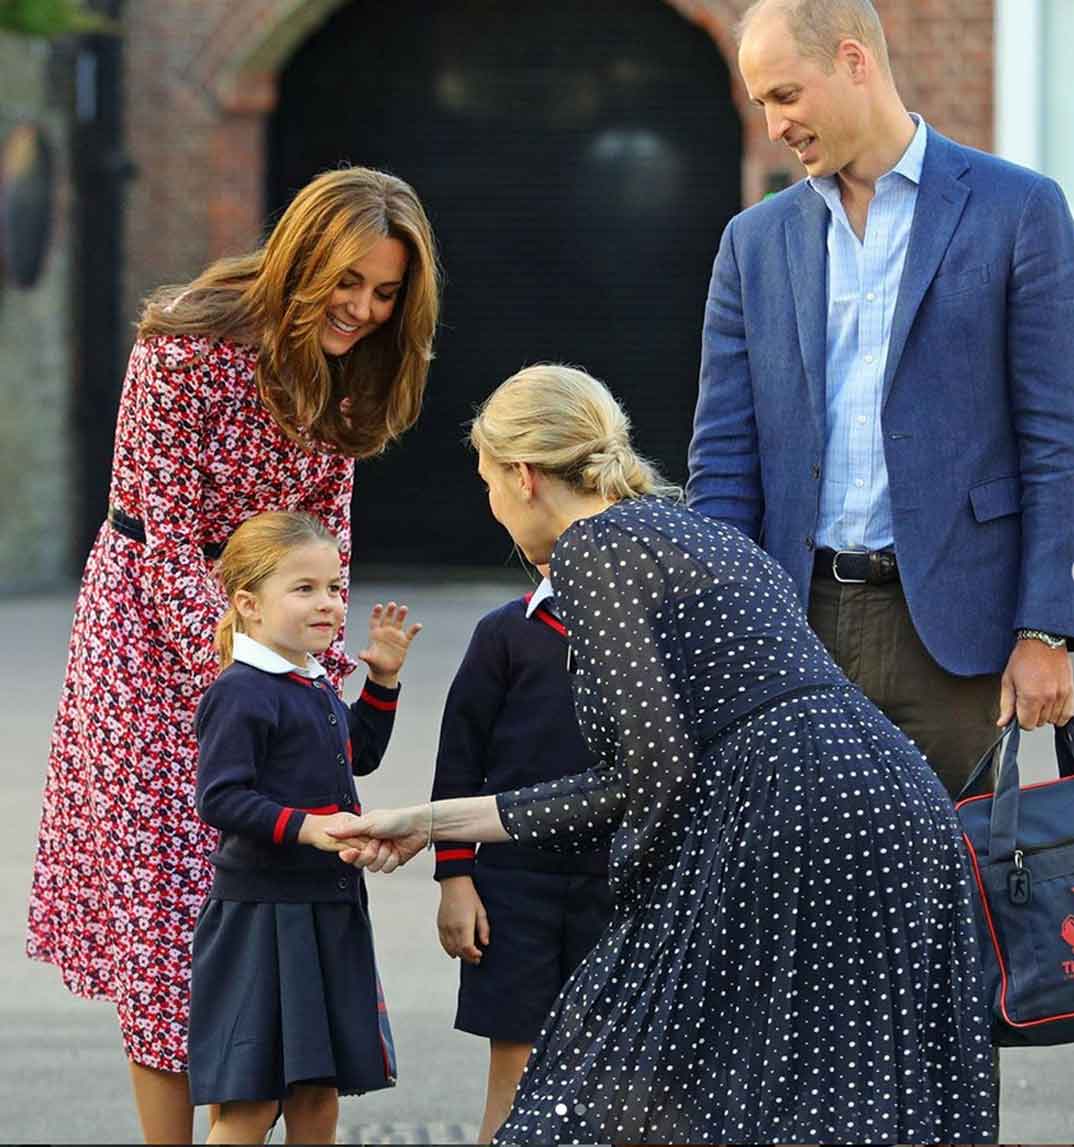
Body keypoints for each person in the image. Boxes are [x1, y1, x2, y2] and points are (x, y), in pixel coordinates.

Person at [332, 364, 997, 1144]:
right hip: (894, 801)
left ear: (523, 475)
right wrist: (436, 819)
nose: (491, 506)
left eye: (487, 482)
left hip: (789, 814)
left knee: (593, 1090)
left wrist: (638, 913)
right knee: (840, 1101)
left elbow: (652, 774)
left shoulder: (593, 549)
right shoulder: (697, 531)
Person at [25, 166, 439, 1143]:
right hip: (150, 633)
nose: (363, 310)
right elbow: (164, 537)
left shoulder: (355, 365)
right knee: (168, 926)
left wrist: (320, 679)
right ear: (302, 256)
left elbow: (326, 530)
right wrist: (248, 678)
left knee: (274, 897)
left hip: (271, 626)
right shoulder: (185, 343)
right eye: (348, 283)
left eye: (385, 295)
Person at [685, 0, 1074, 797]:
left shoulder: (1019, 210)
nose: (771, 125)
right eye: (761, 102)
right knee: (801, 901)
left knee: (949, 904)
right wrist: (723, 631)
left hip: (958, 642)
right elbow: (723, 461)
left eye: (785, 96)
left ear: (855, 62)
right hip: (796, 630)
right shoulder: (752, 243)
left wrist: (1046, 629)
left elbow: (1056, 439)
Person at [188, 511, 420, 1145]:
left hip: (327, 910)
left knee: (319, 1100)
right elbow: (222, 798)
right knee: (251, 1104)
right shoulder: (241, 692)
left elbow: (357, 753)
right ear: (248, 604)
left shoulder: (311, 683)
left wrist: (383, 681)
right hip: (263, 918)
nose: (329, 603)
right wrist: (310, 830)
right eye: (305, 588)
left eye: (335, 587)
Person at [430, 563, 611, 1142]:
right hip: (513, 884)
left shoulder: (657, 631)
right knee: (516, 1069)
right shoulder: (503, 633)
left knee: (619, 1077)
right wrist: (455, 879)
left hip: (622, 885)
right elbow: (459, 761)